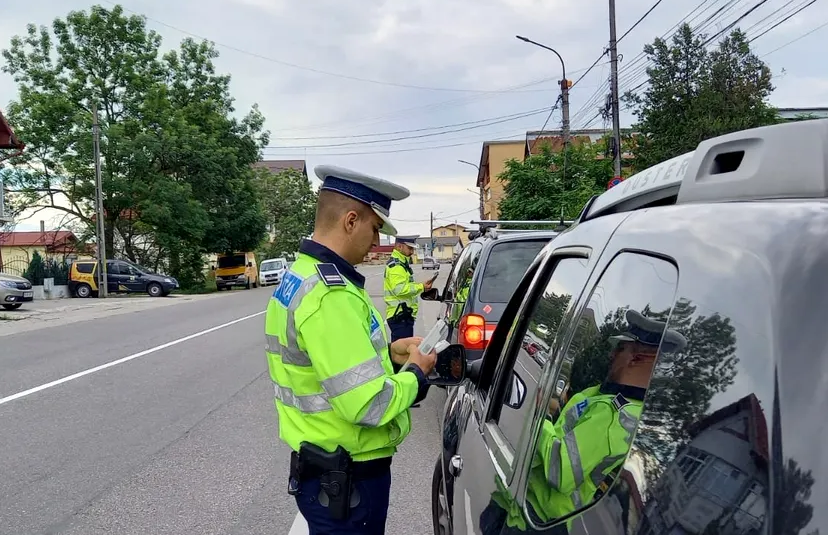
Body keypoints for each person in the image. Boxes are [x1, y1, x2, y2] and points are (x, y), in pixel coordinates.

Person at [265, 165, 438, 535]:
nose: (376, 241)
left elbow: (323, 363)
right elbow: (366, 403)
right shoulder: (330, 295)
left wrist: (390, 354)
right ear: (350, 220)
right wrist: (416, 373)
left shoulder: (302, 275)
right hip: (350, 474)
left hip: (324, 465)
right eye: (375, 228)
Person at [481, 310, 687, 534]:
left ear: (635, 359)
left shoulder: (615, 416)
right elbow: (569, 423)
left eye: (620, 348)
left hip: (539, 521)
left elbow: (558, 471)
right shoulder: (602, 395)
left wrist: (539, 419)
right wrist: (551, 408)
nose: (611, 355)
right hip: (520, 503)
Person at [383, 239, 432, 344]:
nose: (412, 252)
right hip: (400, 315)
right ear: (399, 246)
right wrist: (421, 287)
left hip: (403, 315)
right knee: (402, 354)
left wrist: (422, 286)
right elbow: (400, 290)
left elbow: (406, 286)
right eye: (409, 248)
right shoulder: (396, 266)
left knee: (403, 351)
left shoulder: (401, 264)